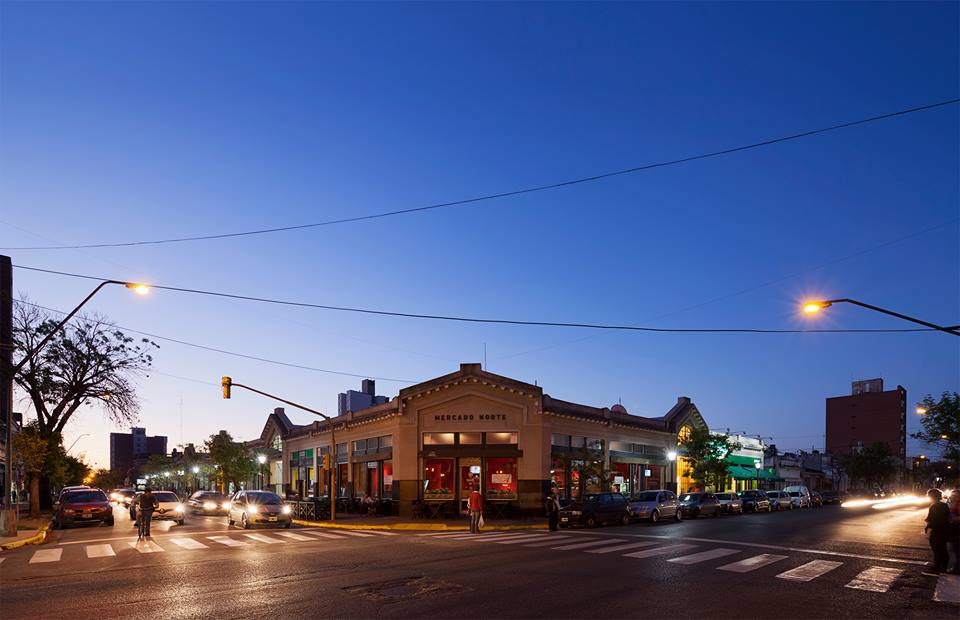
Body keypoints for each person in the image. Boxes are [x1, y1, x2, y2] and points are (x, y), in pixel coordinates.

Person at [923, 488, 950, 575]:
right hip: (944, 531)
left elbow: (932, 521)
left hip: (936, 532)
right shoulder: (944, 505)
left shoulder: (934, 506)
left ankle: (937, 568)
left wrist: (928, 532)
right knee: (943, 549)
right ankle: (943, 567)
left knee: (937, 550)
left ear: (931, 496)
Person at [948, 489, 960, 575]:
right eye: (952, 495)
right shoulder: (951, 503)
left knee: (958, 550)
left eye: (955, 495)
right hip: (954, 530)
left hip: (958, 530)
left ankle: (957, 569)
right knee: (955, 550)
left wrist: (955, 519)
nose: (953, 497)